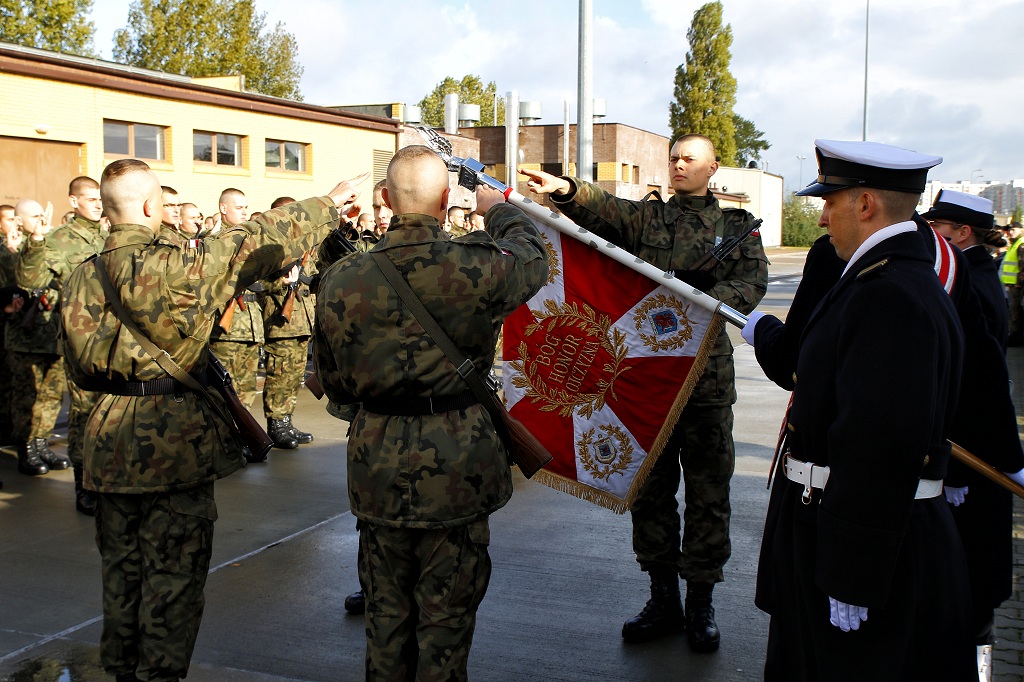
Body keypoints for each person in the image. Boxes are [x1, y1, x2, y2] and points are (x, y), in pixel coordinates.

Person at [60, 158, 360, 682]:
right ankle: (159, 674)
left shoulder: (82, 275)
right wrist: (329, 203)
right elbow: (254, 239)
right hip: (172, 435)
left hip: (107, 434)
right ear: (151, 206)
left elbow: (75, 367)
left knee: (120, 569)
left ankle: (122, 669)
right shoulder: (178, 266)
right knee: (174, 573)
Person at [520, 133, 768, 653]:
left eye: (689, 159)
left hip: (704, 381)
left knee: (708, 493)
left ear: (712, 168)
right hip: (646, 381)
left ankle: (701, 602)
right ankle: (662, 597)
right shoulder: (648, 218)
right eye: (674, 157)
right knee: (651, 491)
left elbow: (751, 283)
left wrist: (694, 302)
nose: (679, 165)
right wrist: (566, 190)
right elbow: (606, 211)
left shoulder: (737, 227)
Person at [314, 145, 548, 681]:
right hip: (458, 464)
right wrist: (499, 208)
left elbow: (333, 382)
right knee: (445, 623)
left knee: (385, 617)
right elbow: (534, 259)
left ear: (386, 198)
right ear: (446, 199)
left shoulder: (342, 277)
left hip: (376, 463)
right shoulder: (478, 265)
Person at [747, 140, 975, 680]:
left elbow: (879, 442)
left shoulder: (889, 293)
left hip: (860, 542)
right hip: (835, 523)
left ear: (865, 204)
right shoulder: (885, 277)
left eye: (830, 202)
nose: (822, 218)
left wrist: (852, 572)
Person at [922, 190, 1024, 676]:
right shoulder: (977, 273)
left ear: (962, 233)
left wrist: (958, 467)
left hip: (971, 464)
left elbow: (973, 381)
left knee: (968, 591)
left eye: (938, 227)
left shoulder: (971, 283)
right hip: (972, 457)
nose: (929, 234)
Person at [8, 197, 69, 478]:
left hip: (51, 332)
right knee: (26, 396)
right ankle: (26, 446)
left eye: (43, 216)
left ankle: (42, 442)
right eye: (34, 216)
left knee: (51, 394)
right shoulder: (11, 250)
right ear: (19, 221)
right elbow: (21, 282)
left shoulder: (51, 245)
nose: (41, 221)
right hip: (25, 336)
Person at [259, 196, 317, 449]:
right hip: (281, 322)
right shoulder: (269, 247)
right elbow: (257, 282)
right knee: (279, 375)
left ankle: (286, 421)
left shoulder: (302, 246)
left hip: (302, 321)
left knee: (293, 376)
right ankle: (276, 424)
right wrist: (281, 282)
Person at [209, 188, 264, 410]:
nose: (244, 213)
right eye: (239, 208)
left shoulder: (249, 240)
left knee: (247, 390)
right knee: (224, 392)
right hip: (227, 329)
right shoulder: (214, 241)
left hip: (250, 325)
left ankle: (243, 431)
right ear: (223, 208)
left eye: (246, 208)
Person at [1000, 220, 1024, 345]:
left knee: (1015, 311)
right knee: (1012, 310)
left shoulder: (1021, 244)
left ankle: (1015, 337)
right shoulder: (1015, 243)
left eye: (1013, 229)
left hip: (1016, 284)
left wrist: (1019, 281)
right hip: (1011, 283)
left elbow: (1022, 265)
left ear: (1021, 230)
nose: (1011, 232)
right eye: (1010, 230)